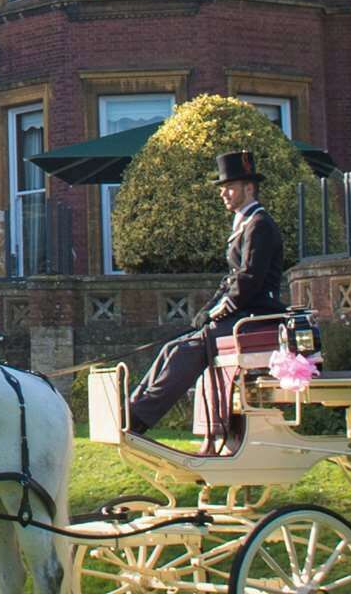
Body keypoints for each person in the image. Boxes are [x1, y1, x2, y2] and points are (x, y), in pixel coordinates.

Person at [124, 146, 291, 437]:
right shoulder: (245, 224)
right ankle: (131, 409)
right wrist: (207, 310)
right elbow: (231, 280)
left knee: (187, 350)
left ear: (249, 188)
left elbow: (249, 279)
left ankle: (139, 419)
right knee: (171, 347)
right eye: (222, 188)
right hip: (242, 312)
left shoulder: (260, 225)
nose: (223, 193)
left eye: (229, 187)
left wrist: (218, 311)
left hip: (258, 315)